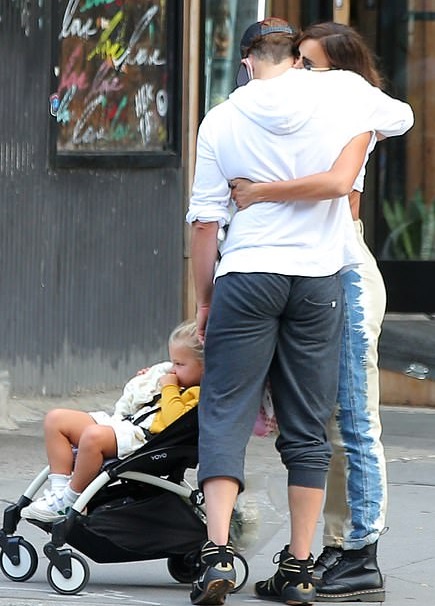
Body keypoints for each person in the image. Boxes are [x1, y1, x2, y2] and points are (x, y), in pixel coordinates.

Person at [186, 17, 413, 606]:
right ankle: (302, 566)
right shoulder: (339, 93)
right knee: (309, 424)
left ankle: (215, 552)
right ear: (296, 58)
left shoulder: (223, 117)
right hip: (318, 279)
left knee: (226, 410)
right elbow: (401, 118)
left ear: (247, 60)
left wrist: (206, 299)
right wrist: (352, 116)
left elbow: (206, 222)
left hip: (248, 272)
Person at [20, 320, 203, 523]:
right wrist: (147, 383)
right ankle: (60, 494)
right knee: (56, 419)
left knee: (93, 436)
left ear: (205, 366)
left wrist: (168, 387)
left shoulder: (198, 393)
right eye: (172, 362)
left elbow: (174, 420)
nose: (173, 370)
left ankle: (73, 497)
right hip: (126, 424)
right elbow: (130, 405)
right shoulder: (173, 379)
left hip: (144, 441)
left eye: (180, 364)